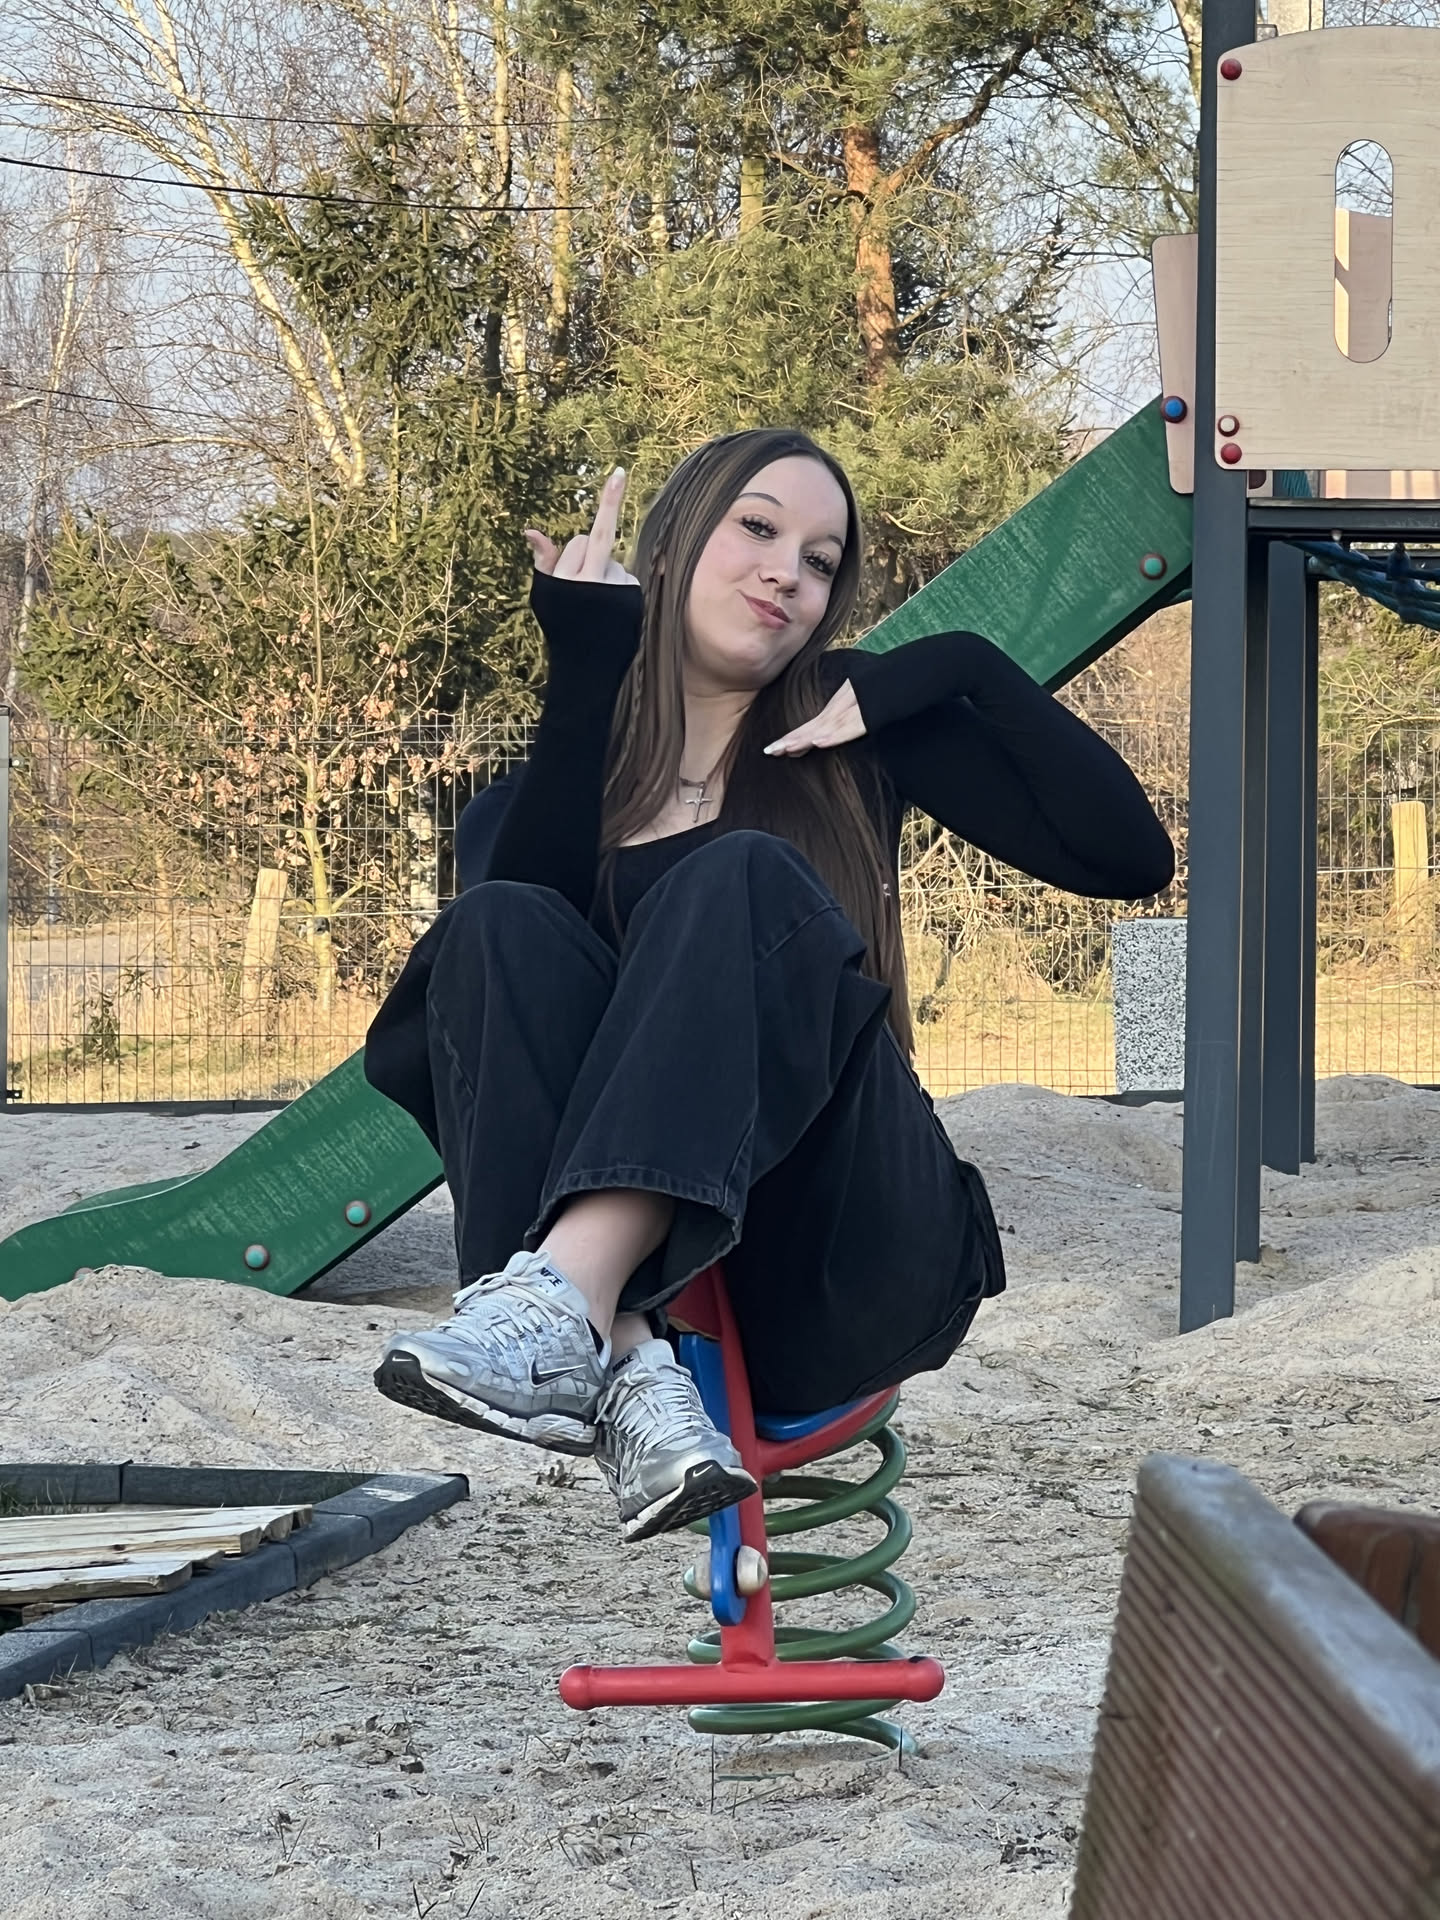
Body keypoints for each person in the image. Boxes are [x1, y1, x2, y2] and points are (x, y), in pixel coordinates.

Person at [363, 428, 1174, 1545]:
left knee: (740, 872)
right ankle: (627, 1362)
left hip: (842, 1245)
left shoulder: (848, 734)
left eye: (820, 560)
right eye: (757, 528)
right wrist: (586, 669)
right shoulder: (546, 797)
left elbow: (1128, 857)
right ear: (674, 543)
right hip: (681, 1287)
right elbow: (496, 1000)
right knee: (493, 922)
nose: (788, 571)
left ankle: (566, 1308)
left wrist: (960, 665)